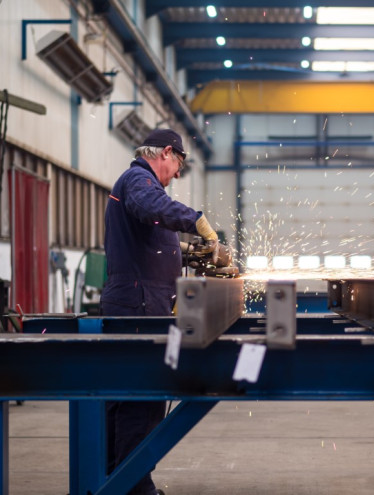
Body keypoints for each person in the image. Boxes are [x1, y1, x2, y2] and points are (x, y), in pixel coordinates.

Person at [100, 128, 219, 495]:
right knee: (141, 397)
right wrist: (196, 221)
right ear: (165, 153)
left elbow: (152, 240)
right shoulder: (139, 180)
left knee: (138, 398)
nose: (179, 173)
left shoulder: (142, 187)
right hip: (138, 306)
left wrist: (189, 254)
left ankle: (124, 480)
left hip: (143, 302)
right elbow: (154, 209)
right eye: (179, 164)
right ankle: (131, 486)